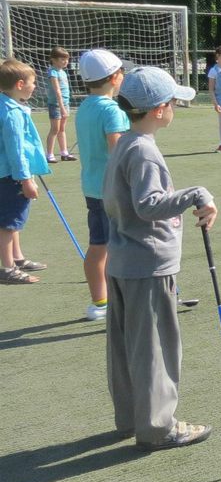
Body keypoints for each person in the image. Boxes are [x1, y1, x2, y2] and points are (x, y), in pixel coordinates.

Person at [102, 66, 216, 450]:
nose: (175, 108)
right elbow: (149, 205)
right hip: (146, 263)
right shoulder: (143, 150)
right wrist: (196, 193)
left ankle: (131, 418)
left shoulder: (128, 144)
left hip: (123, 260)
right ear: (159, 109)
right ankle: (156, 427)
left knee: (128, 346)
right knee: (155, 348)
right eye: (173, 103)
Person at [75, 49, 130, 321]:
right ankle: (119, 298)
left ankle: (100, 301)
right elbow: (119, 151)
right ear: (114, 77)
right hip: (113, 190)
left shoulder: (85, 106)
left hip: (92, 188)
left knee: (99, 245)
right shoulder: (112, 110)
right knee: (119, 246)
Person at [0, 58, 51, 284]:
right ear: (20, 84)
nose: (35, 86)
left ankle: (17, 258)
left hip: (11, 173)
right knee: (9, 224)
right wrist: (25, 179)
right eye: (32, 82)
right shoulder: (11, 112)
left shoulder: (10, 106)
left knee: (14, 221)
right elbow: (15, 149)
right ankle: (8, 267)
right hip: (10, 175)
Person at [44, 47, 76, 163]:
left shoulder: (62, 72)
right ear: (53, 59)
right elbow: (57, 90)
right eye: (62, 59)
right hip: (56, 105)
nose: (65, 61)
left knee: (62, 129)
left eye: (66, 59)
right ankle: (49, 154)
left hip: (65, 103)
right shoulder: (52, 72)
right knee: (55, 129)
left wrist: (65, 105)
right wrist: (62, 107)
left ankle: (64, 153)